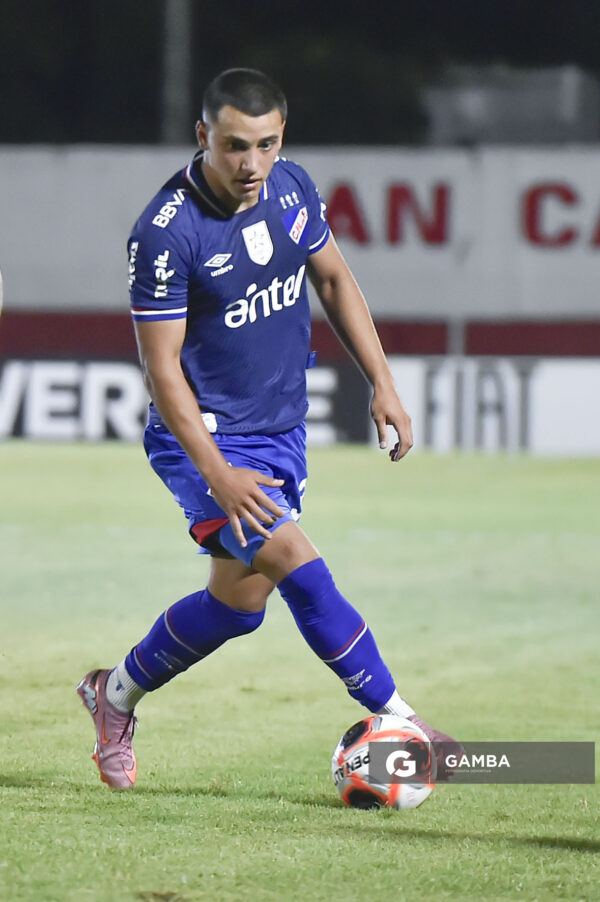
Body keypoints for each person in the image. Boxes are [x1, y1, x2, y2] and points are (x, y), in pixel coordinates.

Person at [77, 68, 458, 790]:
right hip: (205, 442)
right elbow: (162, 374)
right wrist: (218, 473)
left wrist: (383, 381)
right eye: (234, 146)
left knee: (237, 607)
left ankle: (113, 695)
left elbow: (336, 280)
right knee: (297, 565)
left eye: (267, 144)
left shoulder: (291, 188)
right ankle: (407, 722)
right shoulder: (166, 234)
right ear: (203, 138)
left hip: (279, 427)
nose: (251, 164)